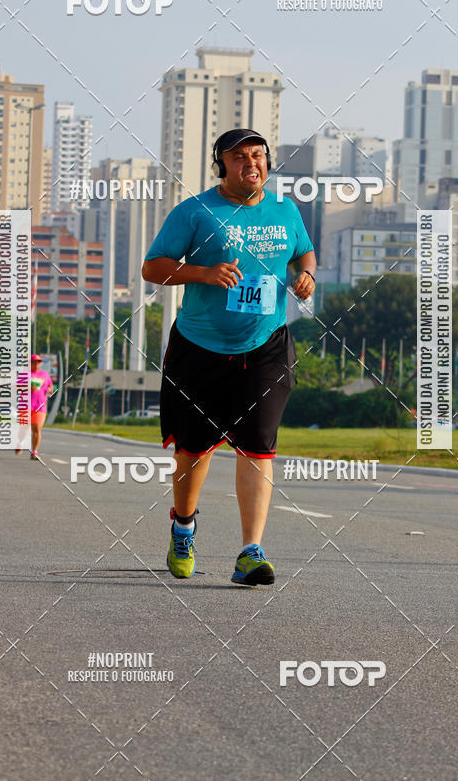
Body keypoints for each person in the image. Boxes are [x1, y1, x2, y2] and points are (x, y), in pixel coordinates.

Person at [142, 128, 316, 585]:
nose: (250, 164)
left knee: (258, 445)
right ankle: (183, 527)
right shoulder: (195, 212)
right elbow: (152, 267)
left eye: (258, 155)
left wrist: (307, 276)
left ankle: (250, 553)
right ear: (221, 165)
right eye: (239, 157)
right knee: (193, 449)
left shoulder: (285, 210)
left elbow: (304, 253)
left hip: (265, 346)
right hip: (200, 347)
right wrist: (203, 273)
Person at [15, 354, 53, 460]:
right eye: (33, 362)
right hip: (25, 406)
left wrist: (51, 390)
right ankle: (20, 442)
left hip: (40, 407)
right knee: (24, 429)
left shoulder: (45, 375)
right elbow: (17, 387)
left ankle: (34, 451)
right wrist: (29, 387)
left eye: (38, 362)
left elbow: (51, 386)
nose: (36, 364)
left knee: (36, 428)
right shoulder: (25, 374)